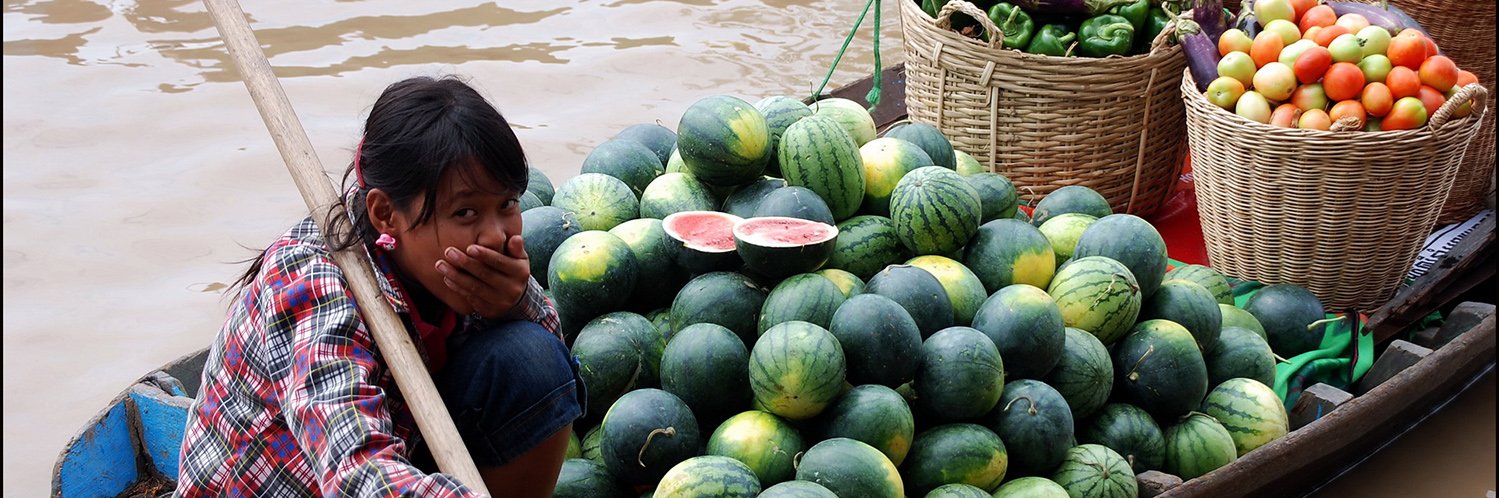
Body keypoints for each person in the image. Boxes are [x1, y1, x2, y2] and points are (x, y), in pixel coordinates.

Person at [175, 76, 582, 498]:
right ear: (386, 213)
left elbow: (556, 378)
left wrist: (515, 303)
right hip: (304, 486)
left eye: (507, 204)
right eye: (465, 212)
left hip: (402, 453)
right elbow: (354, 473)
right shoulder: (313, 280)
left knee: (532, 361)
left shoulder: (451, 264)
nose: (496, 235)